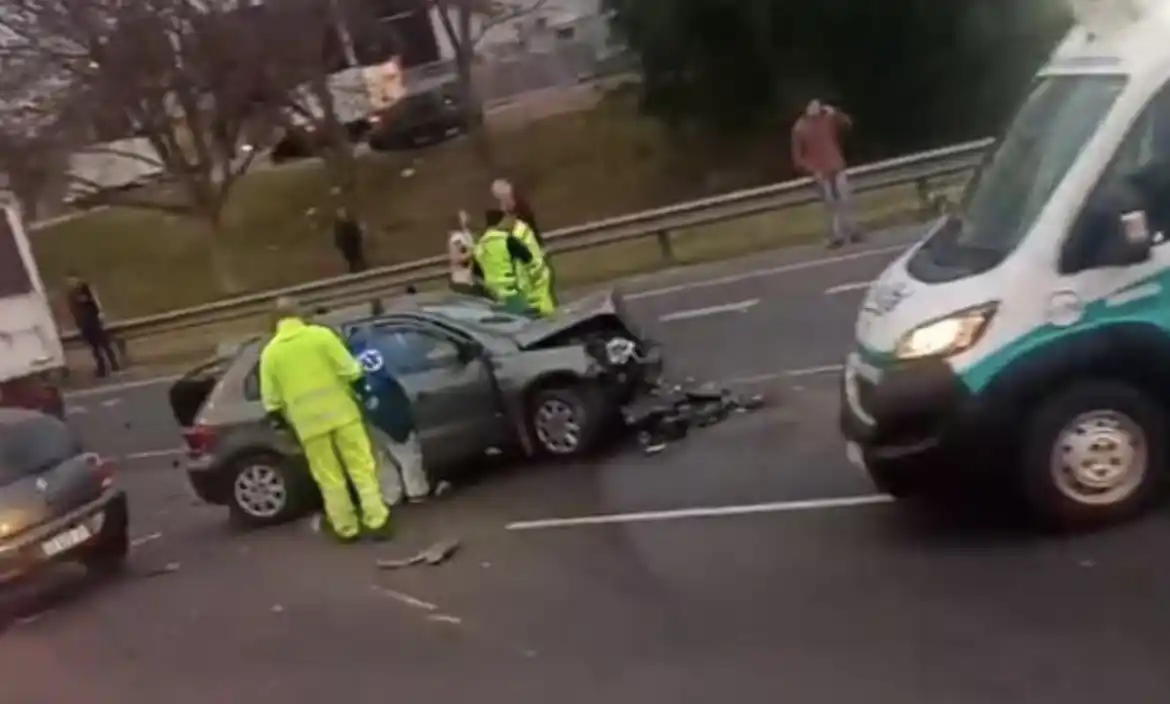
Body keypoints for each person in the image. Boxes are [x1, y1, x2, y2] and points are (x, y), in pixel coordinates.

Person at [258, 296, 392, 543]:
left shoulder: (271, 353)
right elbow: (351, 370)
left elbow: (271, 399)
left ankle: (345, 527)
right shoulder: (321, 336)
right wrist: (363, 392)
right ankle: (377, 521)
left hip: (309, 426)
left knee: (329, 478)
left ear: (274, 322)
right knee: (362, 468)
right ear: (299, 315)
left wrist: (281, 421)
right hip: (343, 415)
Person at [347, 327, 432, 505]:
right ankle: (416, 491)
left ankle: (391, 495)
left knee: (380, 457)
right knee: (407, 452)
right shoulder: (383, 350)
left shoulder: (348, 357)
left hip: (366, 411)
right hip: (390, 406)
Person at [792, 99, 865, 249]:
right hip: (820, 171)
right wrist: (812, 170)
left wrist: (836, 113)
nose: (815, 109)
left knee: (846, 199)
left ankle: (853, 231)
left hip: (836, 165)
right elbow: (798, 158)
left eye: (817, 105)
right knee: (830, 204)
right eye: (811, 106)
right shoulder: (800, 128)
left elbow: (848, 125)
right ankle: (836, 236)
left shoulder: (828, 119)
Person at [65, 271, 120, 378]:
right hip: (84, 323)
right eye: (69, 281)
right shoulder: (71, 294)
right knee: (95, 347)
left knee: (104, 344)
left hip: (93, 320)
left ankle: (114, 364)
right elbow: (73, 309)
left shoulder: (85, 288)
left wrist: (100, 313)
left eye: (72, 279)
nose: (70, 282)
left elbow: (95, 301)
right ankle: (102, 368)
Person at [474, 208, 530, 313]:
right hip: (511, 292)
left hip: (492, 295)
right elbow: (527, 257)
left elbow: (477, 269)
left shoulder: (480, 244)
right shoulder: (508, 240)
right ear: (500, 222)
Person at [448, 209, 479, 295]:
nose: (466, 219)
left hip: (469, 277)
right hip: (460, 278)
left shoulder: (467, 234)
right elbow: (460, 256)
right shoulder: (456, 238)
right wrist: (475, 251)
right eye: (463, 217)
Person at [333, 207, 367, 273]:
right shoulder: (339, 226)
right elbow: (339, 238)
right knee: (354, 262)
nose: (341, 215)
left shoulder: (350, 224)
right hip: (348, 248)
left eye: (342, 213)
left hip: (353, 247)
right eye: (340, 214)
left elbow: (357, 235)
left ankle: (359, 270)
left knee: (355, 261)